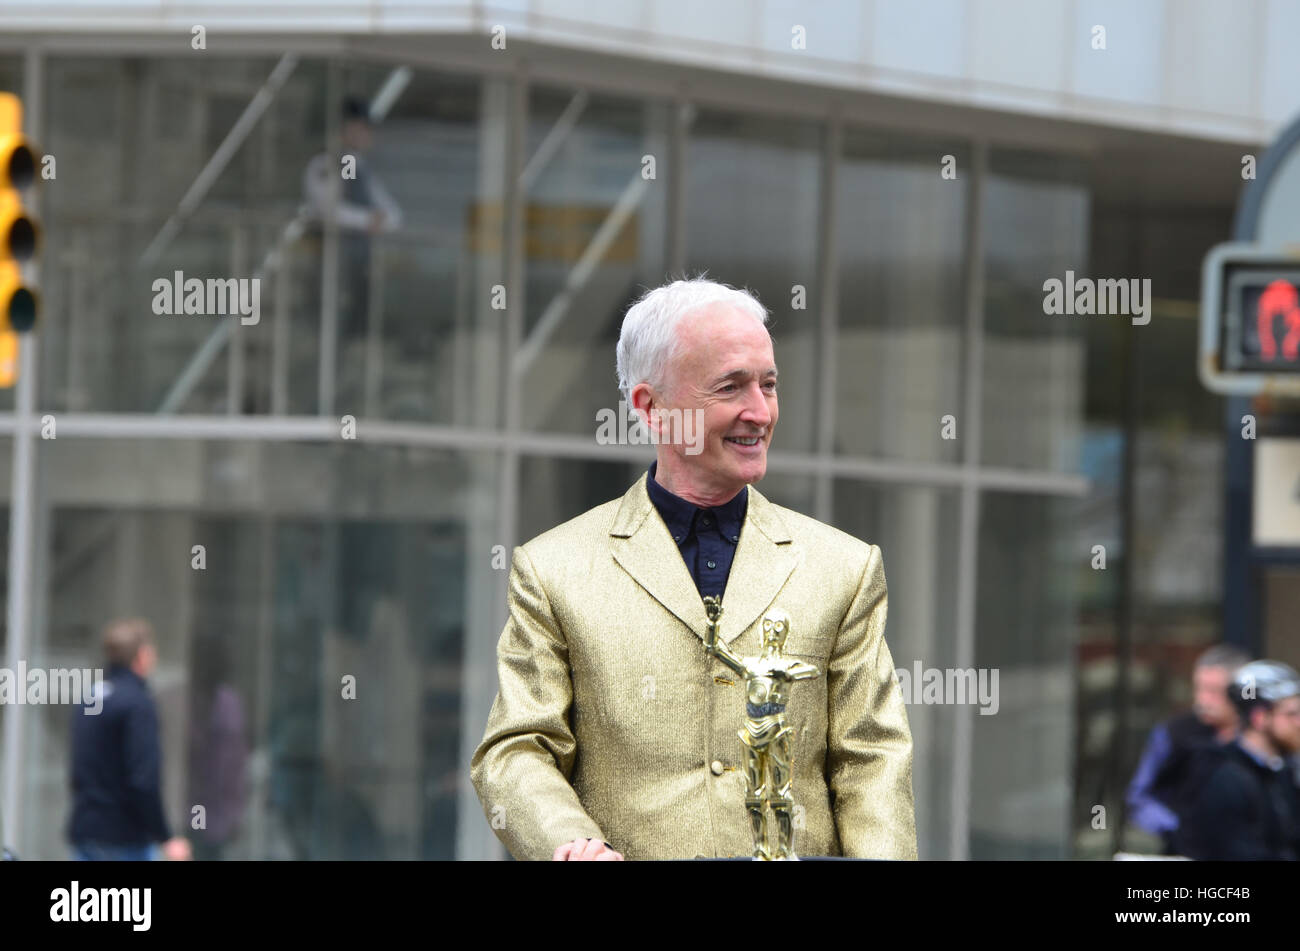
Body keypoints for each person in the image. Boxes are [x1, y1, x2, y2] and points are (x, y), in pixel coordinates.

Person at [470, 277, 917, 861]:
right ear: (651, 408)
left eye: (769, 384)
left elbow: (873, 758)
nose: (759, 412)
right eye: (731, 387)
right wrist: (571, 842)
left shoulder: (847, 568)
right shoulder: (553, 569)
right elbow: (516, 748)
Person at [67, 618, 192, 861]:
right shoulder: (137, 703)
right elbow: (143, 780)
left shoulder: (92, 697)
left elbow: (78, 768)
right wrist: (166, 837)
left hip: (85, 831)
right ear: (142, 655)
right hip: (124, 839)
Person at [1125, 644, 1249, 853]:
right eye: (1199, 688)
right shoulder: (1174, 733)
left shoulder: (1256, 735)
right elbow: (1139, 797)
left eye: (1214, 691)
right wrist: (1177, 827)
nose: (1203, 700)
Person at [300, 96, 402, 343]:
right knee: (329, 327)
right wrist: (368, 220)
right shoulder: (328, 162)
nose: (364, 135)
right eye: (358, 127)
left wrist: (375, 220)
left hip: (357, 265)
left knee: (352, 329)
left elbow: (393, 215)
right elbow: (328, 209)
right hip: (331, 260)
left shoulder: (359, 166)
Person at [1179, 660, 1300, 860]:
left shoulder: (1279, 772)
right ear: (1260, 718)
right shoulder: (1225, 778)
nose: (1298, 723)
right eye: (1291, 713)